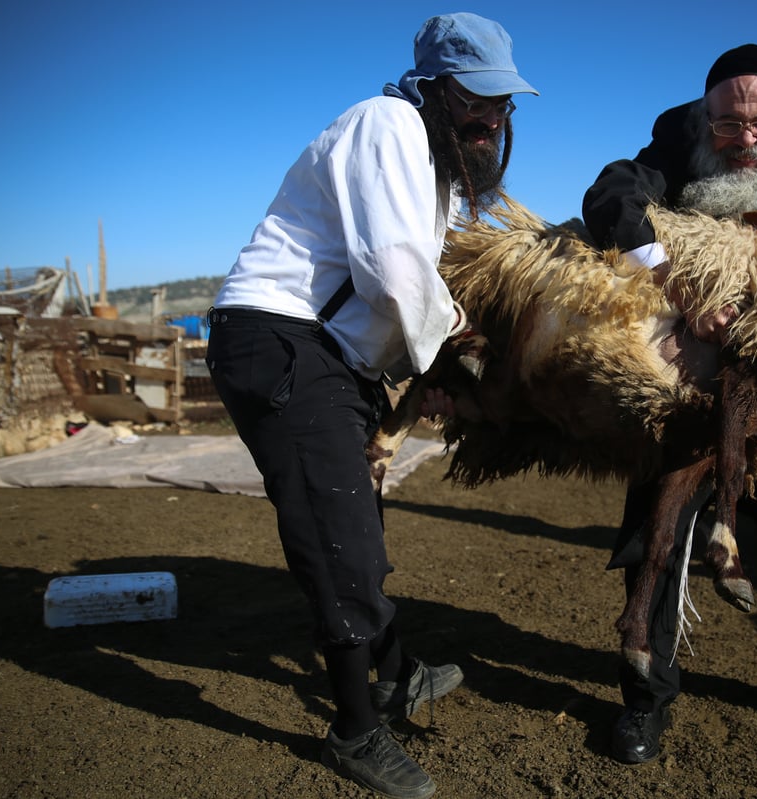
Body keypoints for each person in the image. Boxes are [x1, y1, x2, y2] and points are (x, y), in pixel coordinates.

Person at [205, 13, 537, 798]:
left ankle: (395, 673)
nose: (492, 118)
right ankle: (354, 731)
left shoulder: (435, 175)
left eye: (503, 103)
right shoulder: (386, 122)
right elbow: (395, 272)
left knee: (358, 522)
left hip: (328, 355)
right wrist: (461, 347)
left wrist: (434, 356)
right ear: (432, 89)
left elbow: (409, 291)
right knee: (337, 533)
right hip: (278, 336)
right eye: (477, 100)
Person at [581, 43, 757, 764]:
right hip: (696, 377)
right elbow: (610, 195)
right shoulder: (677, 136)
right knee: (661, 530)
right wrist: (676, 281)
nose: (746, 141)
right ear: (703, 115)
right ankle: (647, 695)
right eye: (728, 126)